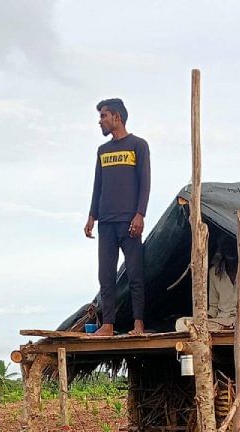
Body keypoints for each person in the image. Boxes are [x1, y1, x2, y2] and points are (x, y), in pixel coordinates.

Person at [83, 98, 150, 336]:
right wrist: (92, 216)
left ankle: (138, 324)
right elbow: (97, 186)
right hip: (106, 222)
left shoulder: (138, 145)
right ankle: (108, 325)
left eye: (103, 116)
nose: (100, 121)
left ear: (116, 118)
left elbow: (145, 183)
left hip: (130, 222)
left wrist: (140, 214)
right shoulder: (103, 151)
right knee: (106, 275)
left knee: (135, 274)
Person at [175, 241, 240, 331]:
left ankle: (231, 329)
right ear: (222, 251)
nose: (230, 250)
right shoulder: (214, 273)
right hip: (222, 321)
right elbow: (213, 307)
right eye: (226, 247)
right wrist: (203, 319)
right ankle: (226, 330)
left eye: (233, 246)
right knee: (181, 323)